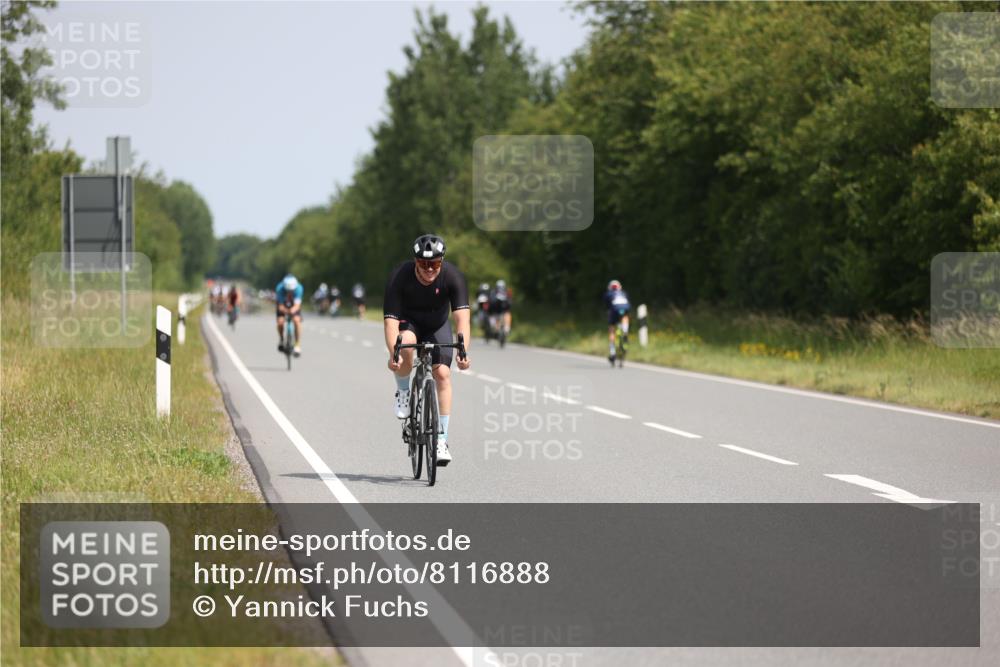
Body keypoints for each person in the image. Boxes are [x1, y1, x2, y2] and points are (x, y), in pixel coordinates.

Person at [383, 234, 471, 465]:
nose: (429, 269)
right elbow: (390, 322)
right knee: (406, 348)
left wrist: (464, 352)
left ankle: (441, 439)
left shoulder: (453, 276)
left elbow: (462, 320)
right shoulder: (400, 276)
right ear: (415, 261)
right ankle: (403, 391)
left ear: (442, 261)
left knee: (442, 374)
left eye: (434, 263)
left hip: (438, 325)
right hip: (409, 323)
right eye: (423, 263)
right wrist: (394, 353)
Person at [276, 274, 304, 356]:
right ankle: (281, 339)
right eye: (288, 291)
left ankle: (297, 344)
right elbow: (280, 306)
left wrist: (292, 310)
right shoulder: (280, 289)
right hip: (283, 304)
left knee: (297, 320)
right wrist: (285, 310)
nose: (290, 292)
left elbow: (297, 305)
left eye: (291, 291)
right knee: (280, 322)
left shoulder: (299, 288)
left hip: (294, 304)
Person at [604, 279, 630, 364]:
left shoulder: (609, 294)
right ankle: (625, 331)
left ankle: (612, 352)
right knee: (625, 316)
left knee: (612, 330)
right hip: (625, 308)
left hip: (614, 311)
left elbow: (607, 307)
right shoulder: (623, 293)